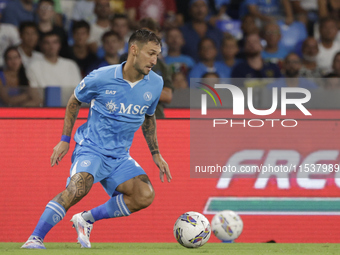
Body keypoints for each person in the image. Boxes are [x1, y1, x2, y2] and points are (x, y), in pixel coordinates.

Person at [21, 29, 171, 249]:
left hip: (119, 156)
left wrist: (156, 154)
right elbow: (74, 101)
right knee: (78, 188)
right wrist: (65, 139)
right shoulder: (101, 77)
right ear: (134, 50)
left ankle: (86, 219)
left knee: (144, 195)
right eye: (150, 53)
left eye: (157, 55)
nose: (154, 60)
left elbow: (148, 117)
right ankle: (35, 238)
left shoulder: (155, 83)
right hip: (91, 149)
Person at [26, 31, 82, 106]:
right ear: (42, 45)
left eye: (55, 42)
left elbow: (78, 92)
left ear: (59, 45)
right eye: (47, 43)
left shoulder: (71, 65)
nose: (51, 46)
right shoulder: (33, 66)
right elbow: (35, 95)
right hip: (44, 110)